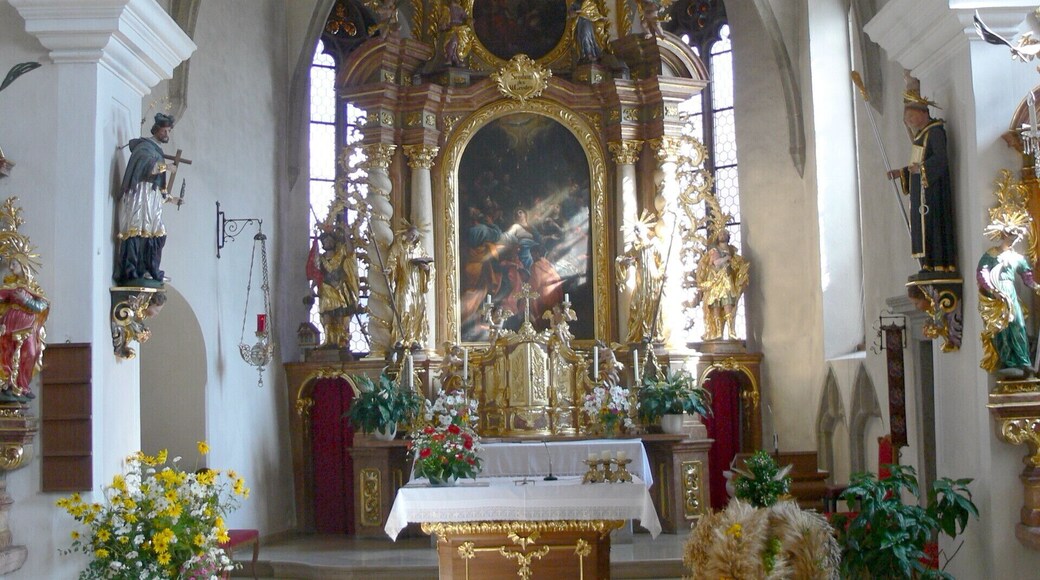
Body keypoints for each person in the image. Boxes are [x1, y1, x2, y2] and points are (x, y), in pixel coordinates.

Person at [887, 77, 957, 273]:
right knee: (922, 226)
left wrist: (922, 169)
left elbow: (941, 159)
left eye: (910, 116)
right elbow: (915, 166)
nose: (908, 121)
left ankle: (938, 263)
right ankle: (927, 263)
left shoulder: (935, 132)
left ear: (923, 113)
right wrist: (901, 173)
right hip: (922, 192)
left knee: (933, 225)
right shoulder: (921, 136)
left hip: (933, 191)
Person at [116, 113, 180, 287]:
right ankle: (132, 270)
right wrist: (165, 167)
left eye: (168, 131)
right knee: (139, 230)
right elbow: (143, 167)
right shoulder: (144, 147)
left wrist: (170, 199)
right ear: (156, 129)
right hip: (140, 194)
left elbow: (158, 184)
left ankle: (150, 268)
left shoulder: (156, 150)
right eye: (165, 130)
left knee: (157, 232)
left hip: (152, 197)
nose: (167, 134)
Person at [977, 218, 1039, 377]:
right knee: (1002, 328)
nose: (1015, 239)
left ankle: (1024, 361)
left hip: (1010, 292)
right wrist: (993, 291)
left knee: (1018, 324)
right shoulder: (991, 254)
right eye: (1012, 236)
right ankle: (1009, 361)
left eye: (1017, 237)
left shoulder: (1017, 257)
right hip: (998, 294)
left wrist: (1036, 287)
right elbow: (982, 274)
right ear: (1004, 234)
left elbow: (1027, 277)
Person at [0, 223, 49, 400]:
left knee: (30, 352)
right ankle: (8, 383)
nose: (11, 267)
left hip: (28, 325)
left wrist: (26, 300)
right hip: (10, 323)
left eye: (14, 263)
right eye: (10, 264)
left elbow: (42, 305)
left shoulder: (31, 287)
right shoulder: (9, 286)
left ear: (22, 265)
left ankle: (22, 384)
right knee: (7, 353)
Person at [616, 211, 664, 344]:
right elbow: (622, 259)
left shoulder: (653, 245)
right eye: (635, 230)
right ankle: (641, 332)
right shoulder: (635, 248)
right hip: (641, 279)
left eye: (639, 230)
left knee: (652, 304)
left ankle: (653, 333)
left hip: (653, 279)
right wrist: (624, 263)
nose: (637, 233)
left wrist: (661, 275)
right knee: (636, 305)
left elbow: (662, 262)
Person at [385, 224, 433, 349]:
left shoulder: (420, 250)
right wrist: (390, 270)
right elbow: (392, 262)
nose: (413, 237)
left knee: (417, 310)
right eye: (411, 235)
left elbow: (430, 267)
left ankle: (414, 339)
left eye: (415, 236)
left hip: (418, 286)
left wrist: (427, 269)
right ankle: (401, 338)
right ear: (406, 234)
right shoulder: (398, 248)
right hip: (404, 283)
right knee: (405, 308)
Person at [695, 229, 749, 340]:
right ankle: (718, 332)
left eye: (725, 234)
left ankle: (731, 332)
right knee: (716, 306)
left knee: (728, 305)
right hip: (716, 282)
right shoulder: (714, 250)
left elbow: (736, 265)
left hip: (727, 281)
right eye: (720, 234)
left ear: (728, 237)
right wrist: (726, 258)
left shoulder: (731, 250)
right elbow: (715, 262)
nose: (722, 235)